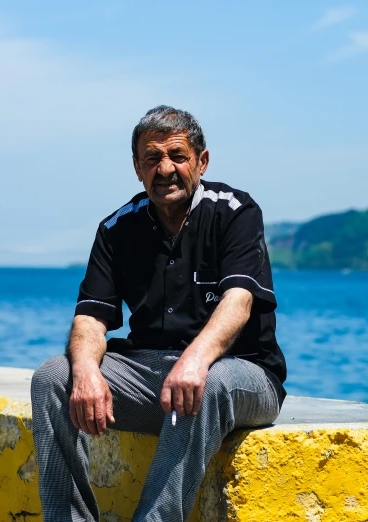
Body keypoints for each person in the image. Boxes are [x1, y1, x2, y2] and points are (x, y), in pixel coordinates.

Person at [31, 105, 287, 522]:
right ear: (137, 168)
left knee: (210, 380)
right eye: (152, 159)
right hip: (152, 376)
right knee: (52, 378)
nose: (165, 169)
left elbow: (238, 301)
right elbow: (90, 319)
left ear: (201, 161)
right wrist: (85, 372)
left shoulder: (235, 211)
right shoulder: (116, 228)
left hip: (241, 374)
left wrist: (195, 361)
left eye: (177, 156)